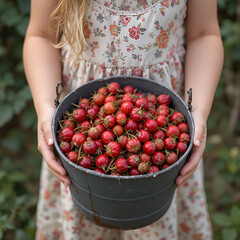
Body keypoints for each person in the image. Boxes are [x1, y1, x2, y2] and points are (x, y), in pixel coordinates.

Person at [23, 0, 223, 239]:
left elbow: (204, 34)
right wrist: (47, 106)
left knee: (155, 207)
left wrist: (197, 110)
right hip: (83, 120)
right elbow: (41, 35)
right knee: (85, 209)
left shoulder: (166, 133)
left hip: (163, 120)